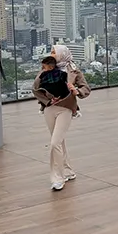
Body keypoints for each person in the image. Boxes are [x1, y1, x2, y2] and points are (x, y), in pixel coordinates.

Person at [33, 44, 89, 188]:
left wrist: (76, 91)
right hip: (49, 108)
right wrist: (47, 100)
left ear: (61, 54)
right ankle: (68, 170)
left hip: (66, 108)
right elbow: (35, 88)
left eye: (54, 52)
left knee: (54, 143)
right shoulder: (47, 69)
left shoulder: (73, 69)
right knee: (59, 141)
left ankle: (57, 178)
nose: (51, 54)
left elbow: (86, 89)